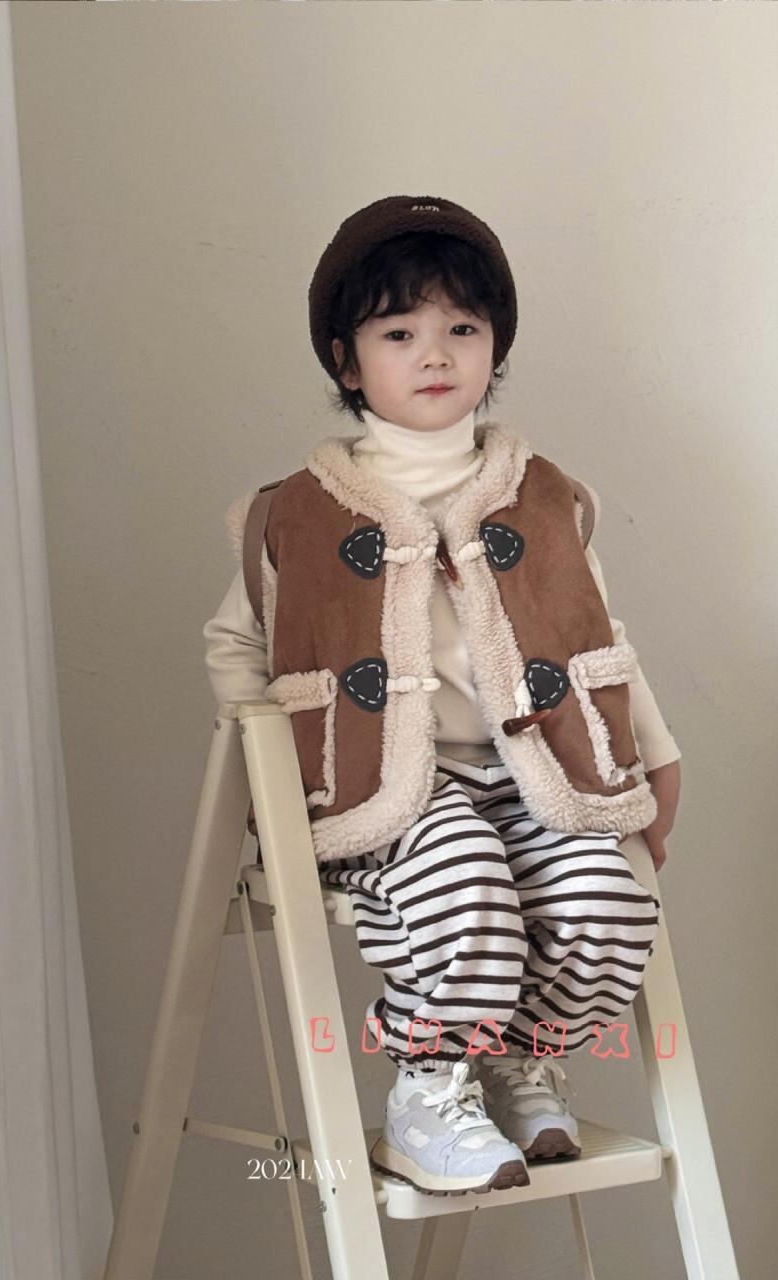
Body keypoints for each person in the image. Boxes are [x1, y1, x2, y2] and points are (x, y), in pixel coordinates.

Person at [202, 194, 682, 1198]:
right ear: (346, 361)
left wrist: (655, 753)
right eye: (398, 332)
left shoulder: (543, 493)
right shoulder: (295, 512)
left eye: (462, 328)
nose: (434, 353)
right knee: (463, 889)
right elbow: (238, 643)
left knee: (607, 901)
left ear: (493, 345)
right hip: (392, 790)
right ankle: (426, 1088)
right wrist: (270, 783)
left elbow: (601, 637)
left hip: (537, 771)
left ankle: (514, 1054)